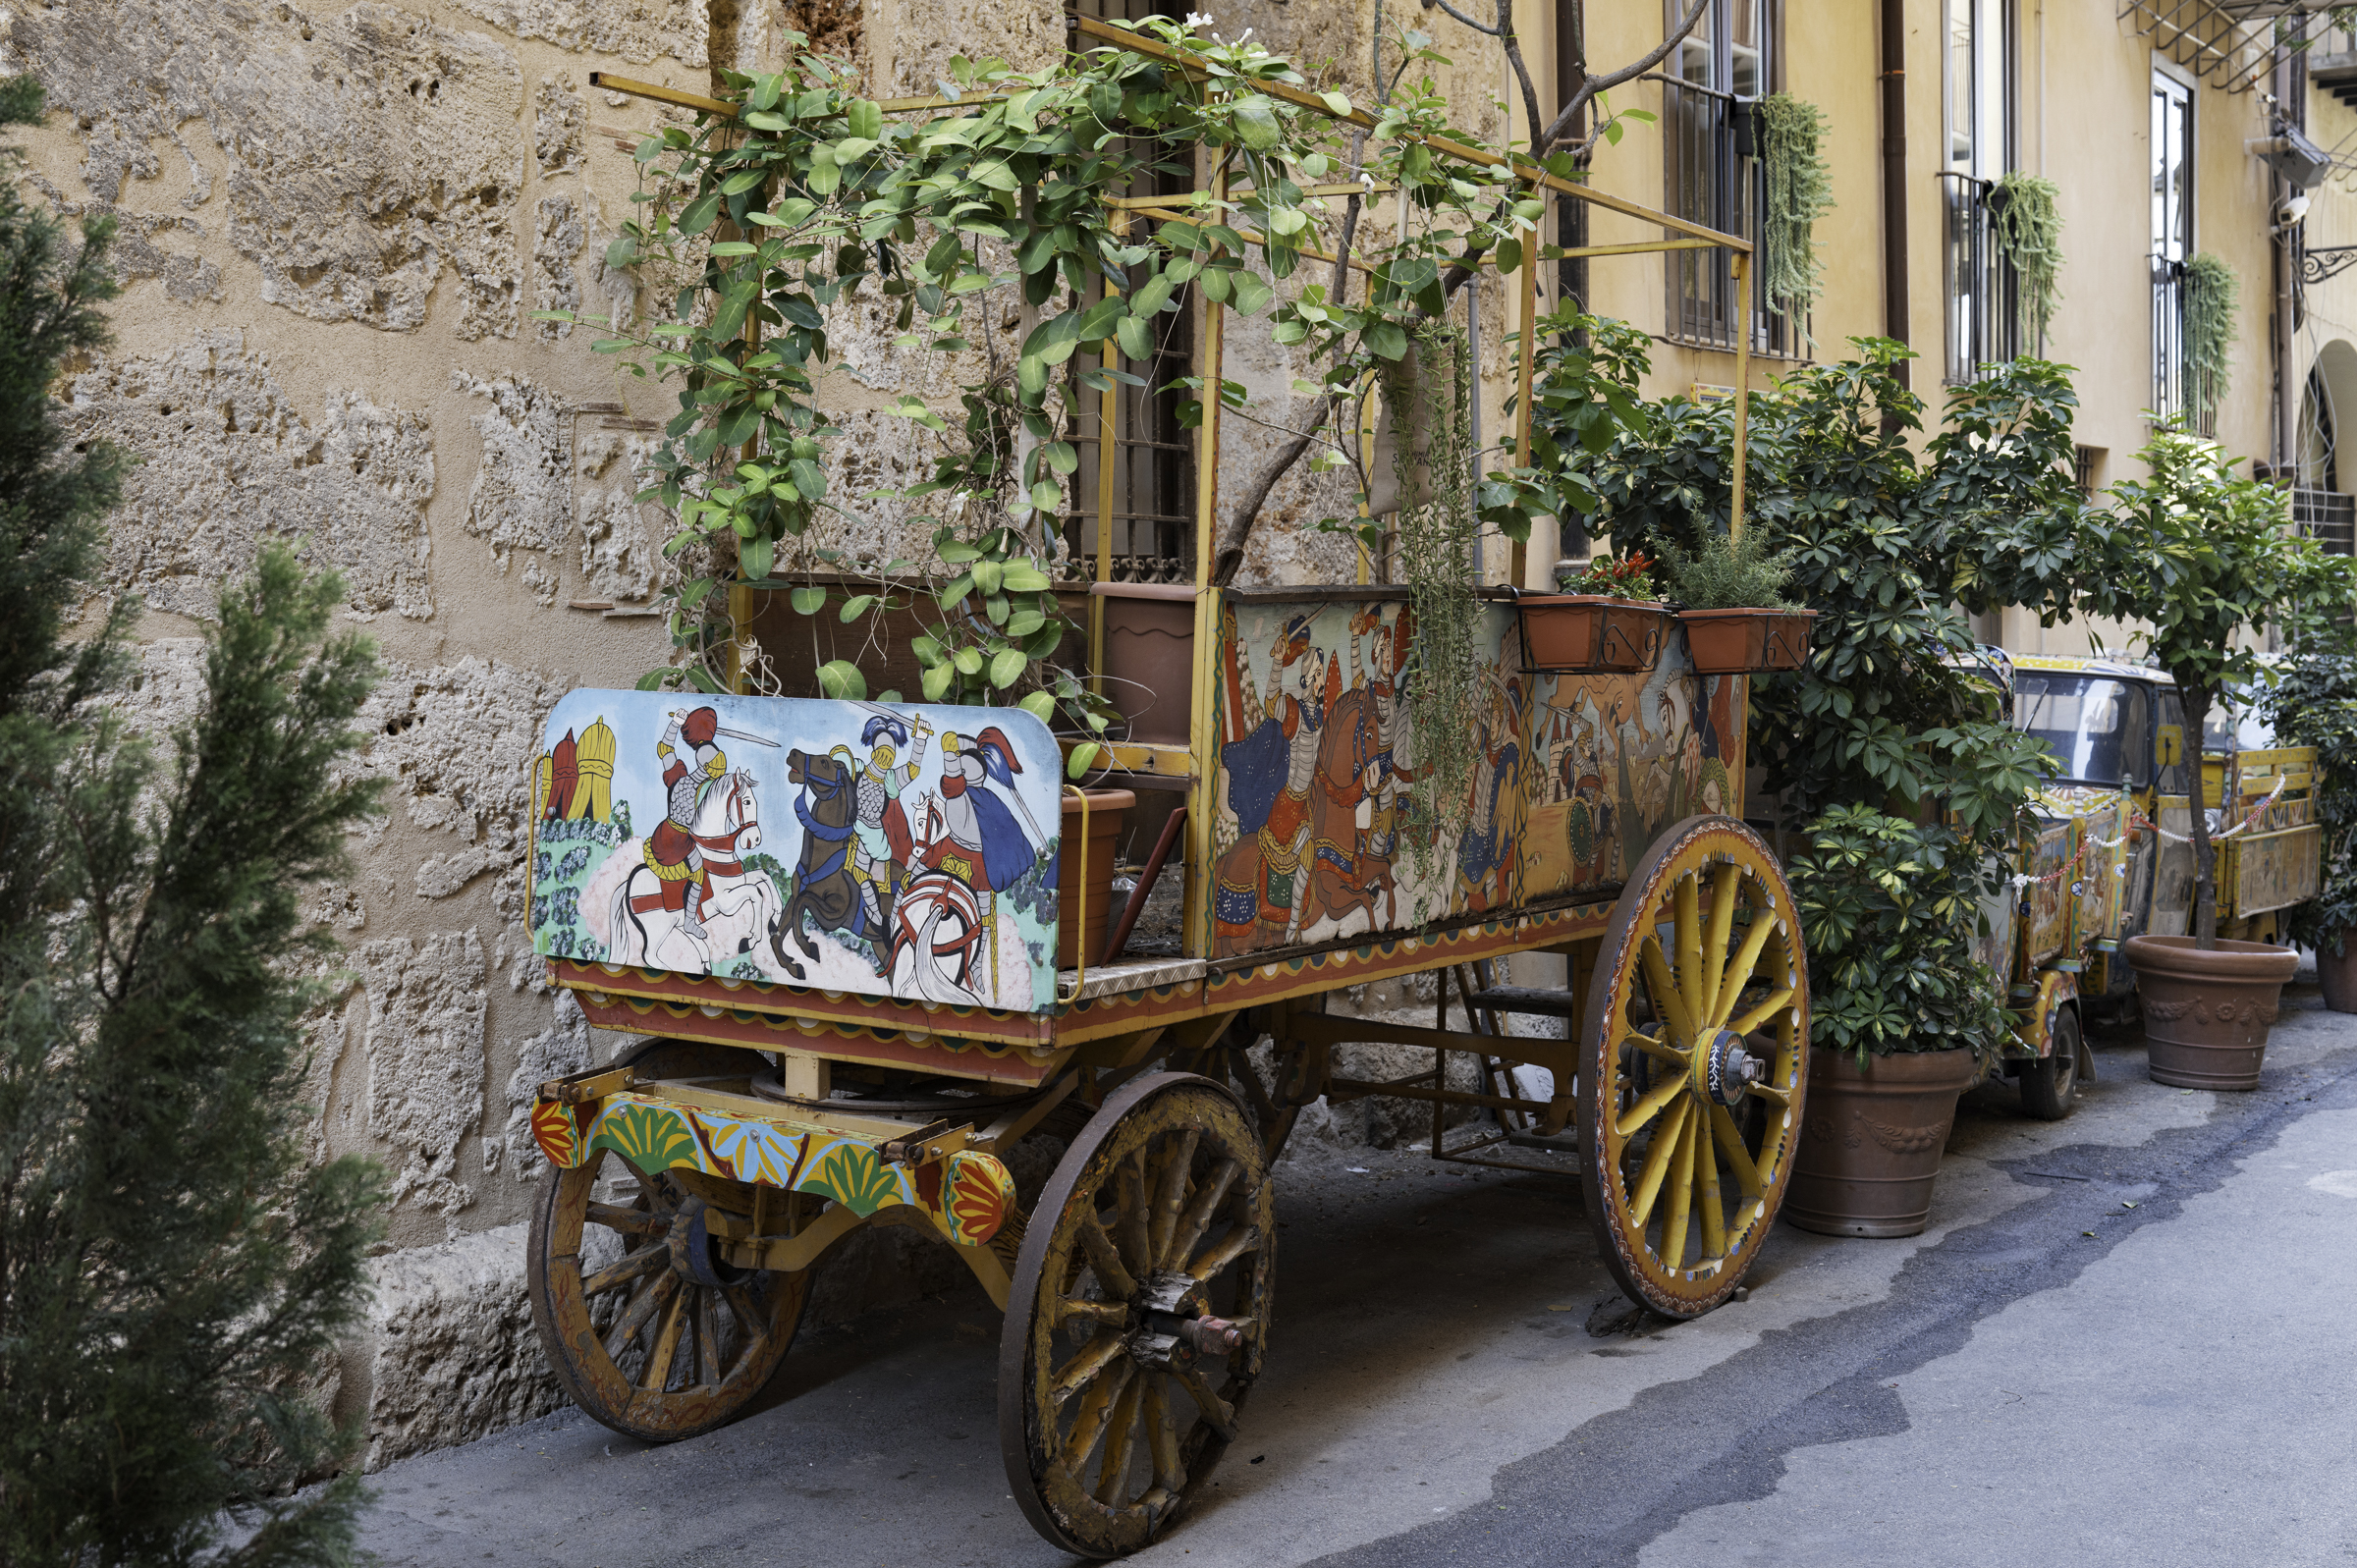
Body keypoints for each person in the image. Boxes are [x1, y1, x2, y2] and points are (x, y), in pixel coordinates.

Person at [648, 705, 726, 939]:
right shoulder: (681, 776)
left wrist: (702, 740)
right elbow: (665, 747)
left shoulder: (697, 780)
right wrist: (676, 724)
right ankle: (689, 922)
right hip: (672, 837)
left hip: (685, 836)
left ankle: (690, 921)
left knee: (700, 871)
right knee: (698, 872)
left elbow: (716, 765)